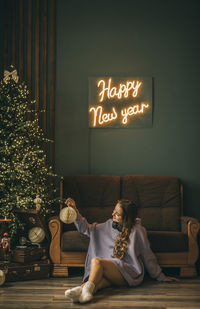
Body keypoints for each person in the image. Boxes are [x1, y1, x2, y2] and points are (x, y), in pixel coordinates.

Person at [64, 198, 178, 304]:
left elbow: (147, 255)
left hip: (128, 272)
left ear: (126, 218)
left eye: (117, 214)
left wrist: (160, 276)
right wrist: (75, 210)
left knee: (96, 262)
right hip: (111, 271)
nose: (113, 214)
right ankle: (81, 293)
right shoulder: (107, 225)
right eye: (114, 211)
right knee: (99, 282)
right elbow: (85, 228)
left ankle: (81, 289)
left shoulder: (138, 231)